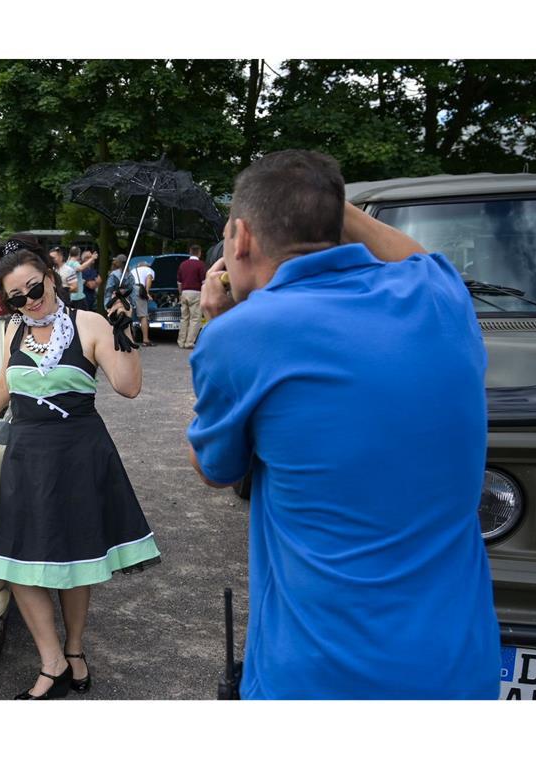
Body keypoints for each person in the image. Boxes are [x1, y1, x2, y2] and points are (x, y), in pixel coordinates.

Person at [188, 149, 499, 698]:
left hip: (318, 677)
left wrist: (221, 320)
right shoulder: (440, 297)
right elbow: (418, 257)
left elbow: (214, 468)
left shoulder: (240, 336)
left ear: (239, 239)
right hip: (456, 666)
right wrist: (324, 199)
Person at [0, 235, 160, 699]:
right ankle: (51, 662)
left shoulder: (90, 323)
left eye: (35, 289)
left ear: (51, 278)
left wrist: (125, 328)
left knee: (75, 561)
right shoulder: (14, 328)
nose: (29, 302)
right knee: (17, 565)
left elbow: (129, 387)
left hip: (78, 455)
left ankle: (75, 652)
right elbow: (4, 383)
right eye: (17, 297)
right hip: (28, 457)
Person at [175, 244, 206, 349]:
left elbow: (179, 282)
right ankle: (189, 342)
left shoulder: (182, 265)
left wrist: (180, 294)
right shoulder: (201, 265)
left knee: (184, 318)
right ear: (199, 253)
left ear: (190, 252)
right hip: (196, 293)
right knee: (195, 318)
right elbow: (204, 282)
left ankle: (181, 341)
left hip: (184, 292)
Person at [131, 259, 154, 346]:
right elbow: (148, 278)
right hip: (139, 290)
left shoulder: (133, 270)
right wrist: (147, 293)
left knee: (130, 316)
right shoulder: (149, 270)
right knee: (143, 316)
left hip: (130, 290)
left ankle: (131, 339)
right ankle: (145, 340)